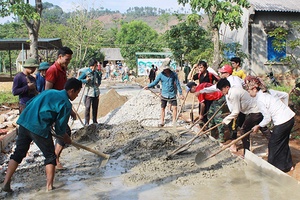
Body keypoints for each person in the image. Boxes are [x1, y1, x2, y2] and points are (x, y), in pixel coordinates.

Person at [2, 78, 82, 192]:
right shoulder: (65, 104)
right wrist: (66, 138)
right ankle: (49, 187)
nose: (77, 96)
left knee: (18, 153)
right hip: (39, 127)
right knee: (50, 157)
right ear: (72, 91)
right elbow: (60, 129)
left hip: (25, 122)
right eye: (77, 93)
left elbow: (30, 103)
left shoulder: (49, 92)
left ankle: (6, 183)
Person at [246, 76, 295, 172]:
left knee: (273, 144)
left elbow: (267, 118)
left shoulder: (260, 99)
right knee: (283, 142)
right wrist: (285, 109)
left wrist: (259, 125)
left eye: (248, 90)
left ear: (254, 89)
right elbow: (285, 95)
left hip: (283, 121)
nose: (248, 92)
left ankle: (276, 168)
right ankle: (288, 166)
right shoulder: (269, 92)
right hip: (290, 118)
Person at [216, 78, 270, 154]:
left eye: (222, 90)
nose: (221, 92)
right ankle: (275, 144)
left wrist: (226, 120)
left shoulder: (234, 93)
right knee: (263, 128)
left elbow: (236, 111)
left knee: (243, 130)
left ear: (227, 87)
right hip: (255, 110)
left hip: (255, 111)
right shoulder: (232, 92)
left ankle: (247, 152)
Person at [45, 46, 76, 169]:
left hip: (61, 106)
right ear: (60, 57)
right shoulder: (53, 70)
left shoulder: (62, 70)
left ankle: (55, 159)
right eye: (67, 59)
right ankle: (55, 160)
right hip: (54, 109)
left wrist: (70, 110)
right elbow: (47, 92)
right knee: (63, 132)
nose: (68, 62)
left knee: (64, 132)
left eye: (69, 60)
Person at [144, 58, 184, 127]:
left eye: (166, 69)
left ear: (168, 69)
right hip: (164, 94)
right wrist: (148, 86)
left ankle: (174, 121)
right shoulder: (160, 75)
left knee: (174, 108)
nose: (165, 70)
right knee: (163, 108)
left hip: (172, 93)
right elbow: (155, 82)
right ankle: (162, 121)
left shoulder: (174, 74)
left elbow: (177, 84)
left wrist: (180, 93)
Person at [78, 58, 101, 125]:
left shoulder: (96, 72)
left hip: (96, 92)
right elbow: (78, 79)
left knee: (95, 107)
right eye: (96, 65)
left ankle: (94, 121)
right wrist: (85, 81)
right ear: (93, 65)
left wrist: (98, 83)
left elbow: (99, 78)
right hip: (88, 92)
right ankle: (86, 123)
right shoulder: (86, 72)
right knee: (87, 107)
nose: (96, 67)